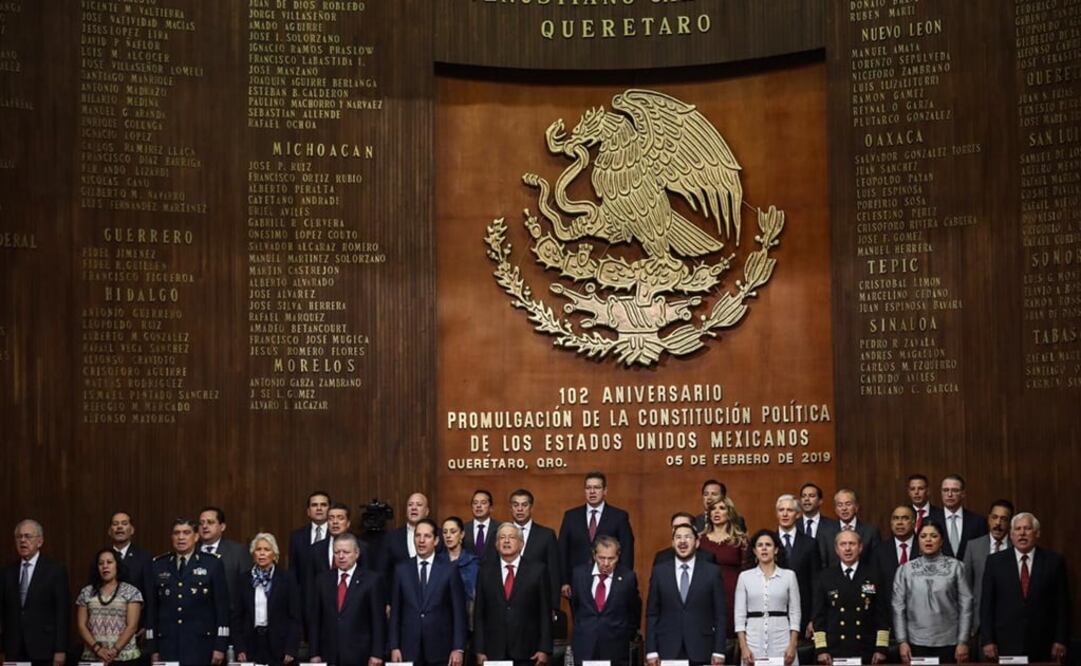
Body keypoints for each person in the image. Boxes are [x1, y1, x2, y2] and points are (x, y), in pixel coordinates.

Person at [980, 512, 1069, 663]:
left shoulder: (1054, 561)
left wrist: (1060, 639)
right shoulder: (995, 562)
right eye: (1017, 529)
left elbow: (1062, 605)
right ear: (1011, 534)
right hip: (1005, 642)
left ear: (1037, 533)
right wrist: (988, 640)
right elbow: (987, 604)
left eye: (1027, 529)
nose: (1022, 533)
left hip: (1043, 642)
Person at [147, 518, 231, 665]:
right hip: (167, 645)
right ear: (171, 537)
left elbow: (222, 608)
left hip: (200, 645)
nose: (181, 537)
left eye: (186, 533)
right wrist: (153, 648)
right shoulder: (159, 565)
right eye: (176, 533)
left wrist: (220, 645)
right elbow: (152, 610)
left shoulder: (212, 564)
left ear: (196, 536)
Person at [645, 523, 727, 666]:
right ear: (673, 543)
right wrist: (651, 650)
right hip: (667, 648)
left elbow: (720, 614)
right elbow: (652, 614)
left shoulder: (712, 572)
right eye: (678, 537)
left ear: (697, 543)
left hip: (702, 648)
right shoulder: (659, 572)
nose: (682, 541)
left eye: (687, 537)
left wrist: (719, 650)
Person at [891, 521, 972, 663]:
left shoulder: (956, 567)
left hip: (950, 642)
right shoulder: (905, 569)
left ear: (942, 540)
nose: (928, 540)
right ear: (918, 541)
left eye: (933, 536)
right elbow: (898, 608)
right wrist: (902, 641)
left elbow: (966, 606)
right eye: (923, 536)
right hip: (915, 642)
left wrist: (963, 641)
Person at [389, 519, 467, 666]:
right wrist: (394, 646)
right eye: (418, 536)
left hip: (441, 648)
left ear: (436, 540)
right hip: (408, 648)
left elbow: (459, 612)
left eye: (427, 536)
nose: (421, 541)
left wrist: (458, 648)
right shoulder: (401, 569)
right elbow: (395, 612)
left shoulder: (449, 570)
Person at [474, 522, 552, 666]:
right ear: (496, 545)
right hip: (493, 651)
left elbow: (545, 612)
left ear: (521, 544)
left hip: (528, 651)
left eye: (511, 537)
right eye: (502, 538)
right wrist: (479, 649)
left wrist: (544, 649)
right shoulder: (485, 572)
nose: (506, 541)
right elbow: (479, 613)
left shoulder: (538, 570)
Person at [811, 529, 889, 665]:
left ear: (860, 547)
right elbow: (819, 617)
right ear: (836, 549)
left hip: (866, 650)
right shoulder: (825, 577)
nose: (847, 548)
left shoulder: (874, 575)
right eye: (843, 544)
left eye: (852, 544)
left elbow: (882, 615)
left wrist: (881, 648)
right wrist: (821, 649)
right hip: (835, 650)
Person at [308, 532, 385, 666]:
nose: (341, 556)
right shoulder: (322, 580)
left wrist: (377, 653)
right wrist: (314, 653)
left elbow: (378, 620)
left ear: (357, 553)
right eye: (337, 552)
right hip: (329, 654)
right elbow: (316, 620)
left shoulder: (371, 580)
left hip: (361, 655)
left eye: (346, 552)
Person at [1, 519, 70, 666]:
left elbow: (62, 613)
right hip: (13, 649)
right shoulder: (7, 572)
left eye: (28, 536)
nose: (23, 541)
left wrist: (60, 649)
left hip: (44, 648)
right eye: (19, 537)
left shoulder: (55, 571)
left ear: (40, 541)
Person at [558, 471, 635, 598]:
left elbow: (627, 550)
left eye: (597, 487)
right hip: (578, 581)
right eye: (588, 488)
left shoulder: (619, 516)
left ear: (605, 491)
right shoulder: (571, 516)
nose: (592, 492)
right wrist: (564, 581)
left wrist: (624, 580)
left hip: (609, 580)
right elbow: (562, 550)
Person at [569, 535, 640, 666]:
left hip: (616, 647)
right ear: (594, 555)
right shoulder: (579, 574)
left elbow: (633, 611)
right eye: (602, 558)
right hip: (585, 645)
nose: (606, 563)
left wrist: (623, 633)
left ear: (618, 556)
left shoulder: (628, 578)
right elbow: (575, 607)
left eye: (611, 558)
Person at [233, 533, 302, 665]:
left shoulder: (287, 579)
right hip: (251, 644)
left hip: (279, 645)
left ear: (274, 554)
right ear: (253, 554)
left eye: (267, 549)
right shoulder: (243, 580)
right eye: (258, 549)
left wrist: (291, 648)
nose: (262, 553)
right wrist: (239, 647)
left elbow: (295, 617)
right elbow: (237, 617)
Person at [735, 530, 801, 666]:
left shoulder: (789, 576)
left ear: (776, 550)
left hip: (782, 641)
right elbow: (739, 615)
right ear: (754, 551)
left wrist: (792, 644)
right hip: (753, 641)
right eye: (760, 545)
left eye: (768, 545)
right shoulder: (744, 577)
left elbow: (795, 612)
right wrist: (743, 647)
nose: (764, 548)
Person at [77, 548, 143, 663]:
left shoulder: (131, 591)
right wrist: (98, 650)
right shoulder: (86, 592)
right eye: (101, 563)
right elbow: (81, 626)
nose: (105, 566)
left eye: (109, 562)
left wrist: (114, 651)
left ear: (117, 565)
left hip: (125, 656)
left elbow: (132, 626)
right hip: (93, 655)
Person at [868, 504, 917, 651]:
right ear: (891, 523)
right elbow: (873, 588)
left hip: (921, 622)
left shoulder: (925, 547)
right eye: (896, 518)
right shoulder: (878, 551)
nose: (900, 523)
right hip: (888, 621)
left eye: (905, 518)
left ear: (914, 522)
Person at [963, 499, 1013, 637]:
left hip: (1009, 623)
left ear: (1010, 523)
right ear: (989, 519)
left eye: (1003, 519)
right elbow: (965, 588)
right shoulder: (973, 547)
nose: (998, 523)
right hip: (979, 624)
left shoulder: (1016, 548)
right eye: (994, 517)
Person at [697, 497, 746, 637]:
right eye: (713, 509)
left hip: (733, 596)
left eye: (722, 508)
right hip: (706, 596)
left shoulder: (739, 540)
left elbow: (747, 572)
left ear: (729, 513)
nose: (716, 512)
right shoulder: (699, 540)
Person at [509, 488, 562, 612]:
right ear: (511, 508)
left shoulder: (546, 535)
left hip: (537, 602)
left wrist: (554, 606)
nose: (520, 509)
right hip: (507, 601)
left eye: (524, 505)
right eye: (516, 505)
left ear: (531, 508)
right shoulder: (500, 535)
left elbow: (553, 573)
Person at [775, 494, 819, 638]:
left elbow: (815, 583)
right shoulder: (768, 542)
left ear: (798, 514)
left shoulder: (810, 544)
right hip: (774, 613)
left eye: (789, 510)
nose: (785, 514)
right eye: (781, 510)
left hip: (802, 612)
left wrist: (814, 618)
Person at [87, 511, 153, 598]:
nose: (119, 527)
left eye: (124, 523)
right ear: (109, 531)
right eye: (115, 524)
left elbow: (149, 594)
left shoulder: (144, 558)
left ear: (132, 530)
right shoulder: (101, 558)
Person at [199, 506, 248, 615]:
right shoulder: (191, 550)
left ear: (222, 527)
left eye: (210, 522)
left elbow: (246, 589)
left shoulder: (238, 552)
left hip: (228, 616)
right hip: (197, 618)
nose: (204, 526)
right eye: (201, 523)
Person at [928, 475, 986, 561]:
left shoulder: (978, 521)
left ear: (963, 494)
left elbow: (982, 553)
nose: (949, 494)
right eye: (945, 490)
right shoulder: (930, 520)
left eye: (955, 490)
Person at [820, 489, 879, 567]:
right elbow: (823, 562)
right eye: (840, 505)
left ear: (856, 507)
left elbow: (876, 561)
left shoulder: (870, 531)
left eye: (848, 504)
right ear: (836, 509)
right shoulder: (826, 532)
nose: (844, 508)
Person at [288, 491, 331, 584]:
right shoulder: (297, 537)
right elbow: (293, 571)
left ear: (330, 510)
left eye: (323, 505)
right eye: (314, 505)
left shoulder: (337, 535)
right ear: (308, 511)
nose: (319, 508)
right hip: (305, 589)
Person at [386, 493, 434, 572]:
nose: (414, 508)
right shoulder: (392, 537)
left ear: (427, 511)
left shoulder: (438, 535)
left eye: (419, 505)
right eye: (410, 505)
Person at [798, 483, 838, 568]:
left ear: (820, 501)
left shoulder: (833, 527)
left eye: (811, 496)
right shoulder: (794, 525)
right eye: (803, 496)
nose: (806, 499)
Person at [442, 516, 480, 604]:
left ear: (462, 534)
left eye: (453, 532)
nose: (448, 536)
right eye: (445, 532)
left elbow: (474, 594)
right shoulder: (436, 561)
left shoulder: (473, 562)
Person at [464, 489, 498, 562]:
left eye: (483, 503)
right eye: (475, 503)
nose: (478, 506)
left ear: (491, 508)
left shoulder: (500, 528)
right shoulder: (463, 529)